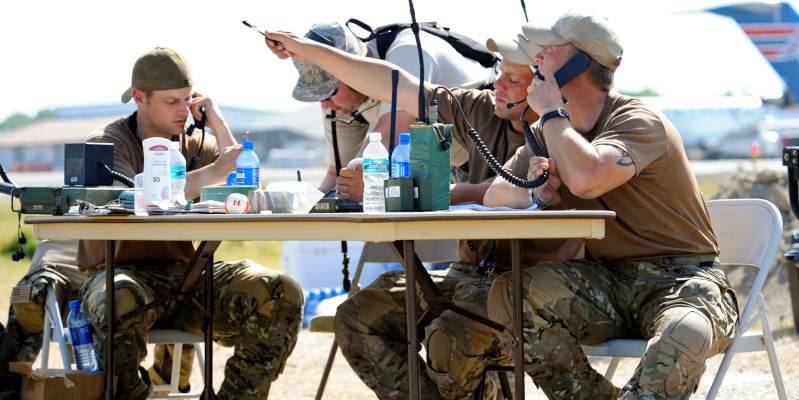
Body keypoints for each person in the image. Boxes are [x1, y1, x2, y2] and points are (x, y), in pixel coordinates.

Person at [265, 29, 581, 399]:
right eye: (500, 75)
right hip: (469, 271)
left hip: (527, 280)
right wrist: (308, 51)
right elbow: (398, 86)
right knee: (358, 315)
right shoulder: (480, 109)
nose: (498, 85)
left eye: (513, 80)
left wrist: (398, 192)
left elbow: (495, 193)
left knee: (452, 335)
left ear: (545, 89)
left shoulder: (562, 132)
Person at [482, 12, 739, 399]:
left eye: (548, 51)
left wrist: (552, 113)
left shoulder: (637, 120)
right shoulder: (548, 130)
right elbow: (495, 195)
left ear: (579, 63)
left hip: (684, 280)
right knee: (511, 295)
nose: (536, 59)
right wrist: (535, 192)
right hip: (610, 279)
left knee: (685, 330)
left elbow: (587, 178)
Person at [76, 47, 303, 400]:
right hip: (120, 274)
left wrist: (217, 121)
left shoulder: (193, 140)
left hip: (186, 278)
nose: (183, 110)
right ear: (140, 98)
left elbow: (239, 177)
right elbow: (128, 199)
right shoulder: (107, 143)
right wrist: (209, 174)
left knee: (280, 290)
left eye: (188, 99)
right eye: (171, 101)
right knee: (117, 298)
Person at [272, 22, 497, 201]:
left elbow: (389, 143)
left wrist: (353, 189)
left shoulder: (407, 52)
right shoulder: (341, 102)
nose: (324, 105)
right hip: (448, 161)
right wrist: (308, 206)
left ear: (350, 73)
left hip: (495, 147)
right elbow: (338, 174)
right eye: (317, 96)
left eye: (328, 93)